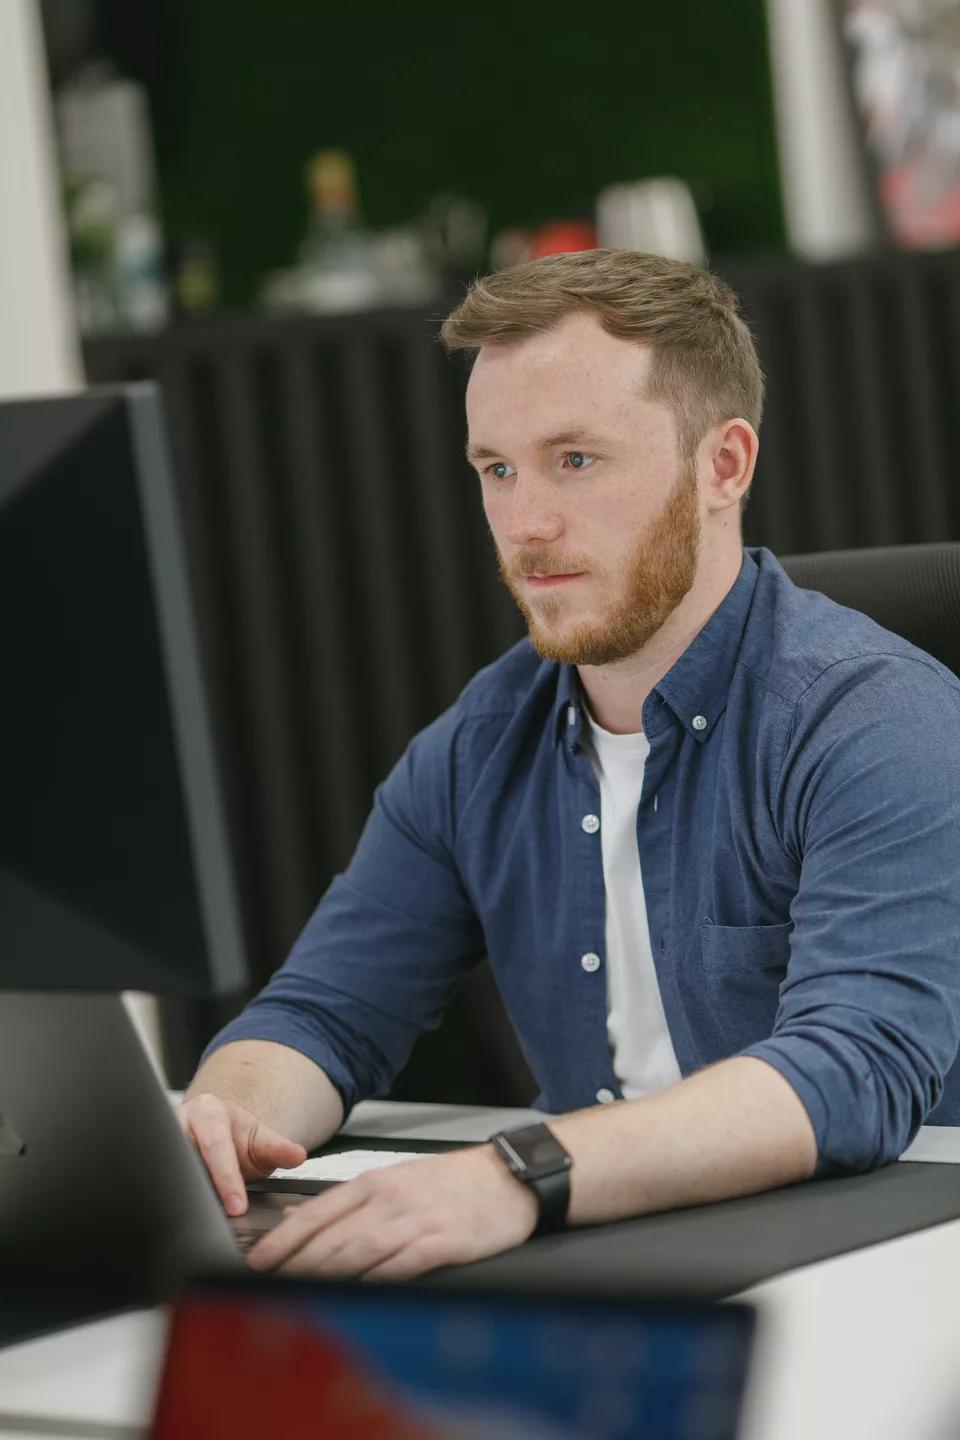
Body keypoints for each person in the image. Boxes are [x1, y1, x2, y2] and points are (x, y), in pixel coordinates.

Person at [179, 248, 960, 1281]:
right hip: (608, 1257)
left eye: (576, 460)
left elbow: (854, 1069)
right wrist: (225, 1115)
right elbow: (322, 1015)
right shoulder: (480, 744)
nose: (526, 523)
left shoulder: (875, 718)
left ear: (724, 466)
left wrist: (521, 1173)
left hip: (883, 1272)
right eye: (497, 469)